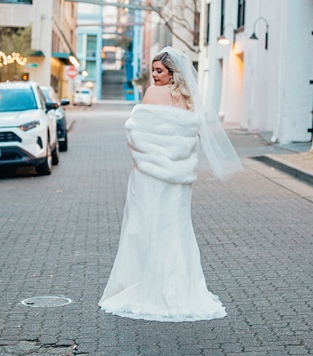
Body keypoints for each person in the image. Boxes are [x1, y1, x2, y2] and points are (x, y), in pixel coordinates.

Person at [99, 46, 242, 322]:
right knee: (175, 231)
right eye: (153, 70)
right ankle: (180, 289)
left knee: (143, 227)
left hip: (149, 175)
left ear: (172, 73)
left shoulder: (153, 94)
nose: (154, 75)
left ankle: (144, 285)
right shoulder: (189, 101)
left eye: (159, 71)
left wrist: (142, 154)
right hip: (179, 178)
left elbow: (136, 133)